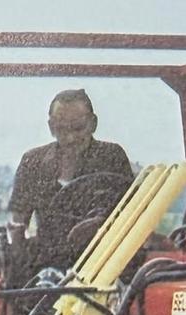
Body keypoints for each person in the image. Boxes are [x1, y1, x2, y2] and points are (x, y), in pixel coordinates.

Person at [7, 89, 134, 275]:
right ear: (51, 127)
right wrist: (17, 246)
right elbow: (18, 221)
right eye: (61, 128)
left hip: (104, 265)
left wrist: (100, 224)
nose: (70, 137)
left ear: (93, 123)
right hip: (47, 267)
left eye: (78, 128)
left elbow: (131, 213)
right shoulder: (32, 161)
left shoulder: (112, 157)